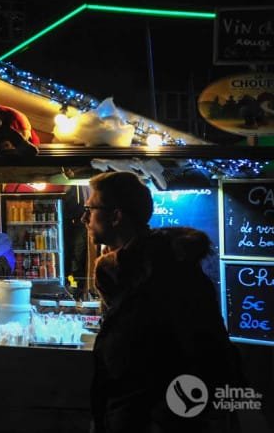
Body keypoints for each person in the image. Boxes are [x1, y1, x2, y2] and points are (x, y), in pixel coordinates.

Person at [85, 171, 242, 433]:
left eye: (90, 209)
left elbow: (201, 356)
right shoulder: (125, 276)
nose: (83, 218)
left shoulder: (170, 274)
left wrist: (162, 420)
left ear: (115, 216)